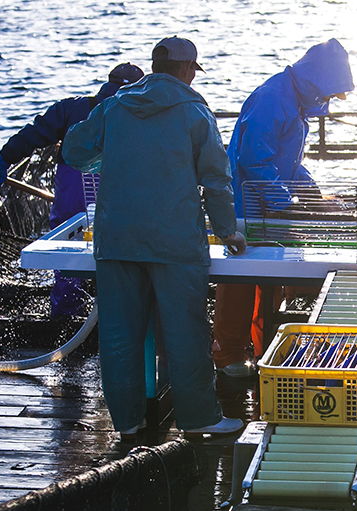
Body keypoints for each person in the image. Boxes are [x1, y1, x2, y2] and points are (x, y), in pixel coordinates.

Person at [62, 36, 247, 439]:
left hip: (116, 240)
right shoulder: (195, 111)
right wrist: (227, 230)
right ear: (186, 70)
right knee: (185, 331)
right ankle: (200, 418)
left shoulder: (114, 104)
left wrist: (105, 155)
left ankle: (127, 424)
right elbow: (216, 179)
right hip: (175, 242)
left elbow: (74, 150)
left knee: (118, 335)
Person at [213, 38, 354, 378]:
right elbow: (253, 158)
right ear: (317, 82)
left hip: (268, 207)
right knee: (240, 280)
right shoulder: (272, 98)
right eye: (329, 94)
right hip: (247, 208)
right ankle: (229, 356)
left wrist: (312, 194)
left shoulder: (293, 98)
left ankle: (266, 351)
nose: (328, 101)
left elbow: (286, 163)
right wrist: (286, 203)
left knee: (270, 281)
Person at [0, 62, 145, 317]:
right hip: (119, 193)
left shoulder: (72, 107)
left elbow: (34, 134)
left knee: (67, 250)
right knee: (122, 252)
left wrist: (5, 158)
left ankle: (66, 315)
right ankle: (119, 311)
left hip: (73, 193)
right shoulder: (140, 113)